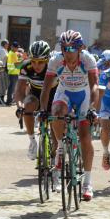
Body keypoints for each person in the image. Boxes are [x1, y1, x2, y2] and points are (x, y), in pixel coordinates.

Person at [40, 30, 99, 201]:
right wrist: (44, 109)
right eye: (64, 48)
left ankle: (87, 183)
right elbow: (46, 88)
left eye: (72, 49)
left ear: (80, 49)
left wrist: (93, 108)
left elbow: (95, 86)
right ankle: (59, 148)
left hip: (83, 94)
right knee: (56, 112)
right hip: (64, 92)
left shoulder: (88, 59)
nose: (68, 53)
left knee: (85, 137)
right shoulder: (55, 60)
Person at [13, 41, 54, 160]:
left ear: (47, 59)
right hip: (35, 95)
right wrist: (20, 107)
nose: (37, 65)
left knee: (55, 129)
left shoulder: (53, 66)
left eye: (41, 62)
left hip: (53, 95)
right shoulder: (26, 67)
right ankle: (32, 141)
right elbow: (19, 90)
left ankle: (56, 152)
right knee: (28, 105)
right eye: (34, 61)